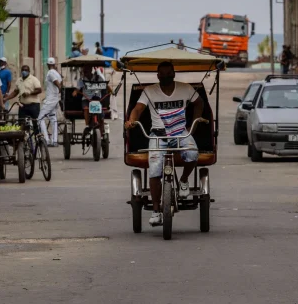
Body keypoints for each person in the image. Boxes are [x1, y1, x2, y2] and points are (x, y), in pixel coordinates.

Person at [124, 62, 205, 227]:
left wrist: (193, 125)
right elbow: (138, 109)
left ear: (174, 74)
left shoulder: (186, 88)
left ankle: (183, 180)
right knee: (154, 170)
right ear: (157, 75)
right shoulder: (149, 91)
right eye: (163, 74)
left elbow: (199, 103)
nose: (166, 76)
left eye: (169, 73)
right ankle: (156, 211)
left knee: (192, 153)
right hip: (158, 135)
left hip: (180, 132)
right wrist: (132, 121)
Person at [5, 65, 43, 130]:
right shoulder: (19, 80)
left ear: (29, 71)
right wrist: (6, 98)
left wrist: (29, 93)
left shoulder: (34, 79)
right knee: (22, 124)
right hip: (22, 106)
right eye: (23, 70)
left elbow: (39, 90)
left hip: (33, 105)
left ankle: (38, 137)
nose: (24, 71)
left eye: (26, 70)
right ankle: (25, 138)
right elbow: (15, 92)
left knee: (35, 123)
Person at [74, 66, 107, 139]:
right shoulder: (82, 80)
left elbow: (105, 85)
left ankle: (102, 129)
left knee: (101, 115)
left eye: (87, 70)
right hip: (86, 99)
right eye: (84, 71)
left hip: (97, 99)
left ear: (90, 70)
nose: (85, 72)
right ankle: (87, 125)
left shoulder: (98, 78)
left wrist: (110, 90)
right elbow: (77, 88)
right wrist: (75, 92)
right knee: (86, 109)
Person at [38, 57, 63, 146]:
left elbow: (56, 83)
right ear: (54, 64)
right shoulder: (57, 73)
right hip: (55, 99)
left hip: (50, 100)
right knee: (53, 118)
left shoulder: (50, 73)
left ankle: (46, 139)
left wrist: (59, 88)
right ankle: (54, 140)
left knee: (40, 119)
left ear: (48, 65)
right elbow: (59, 83)